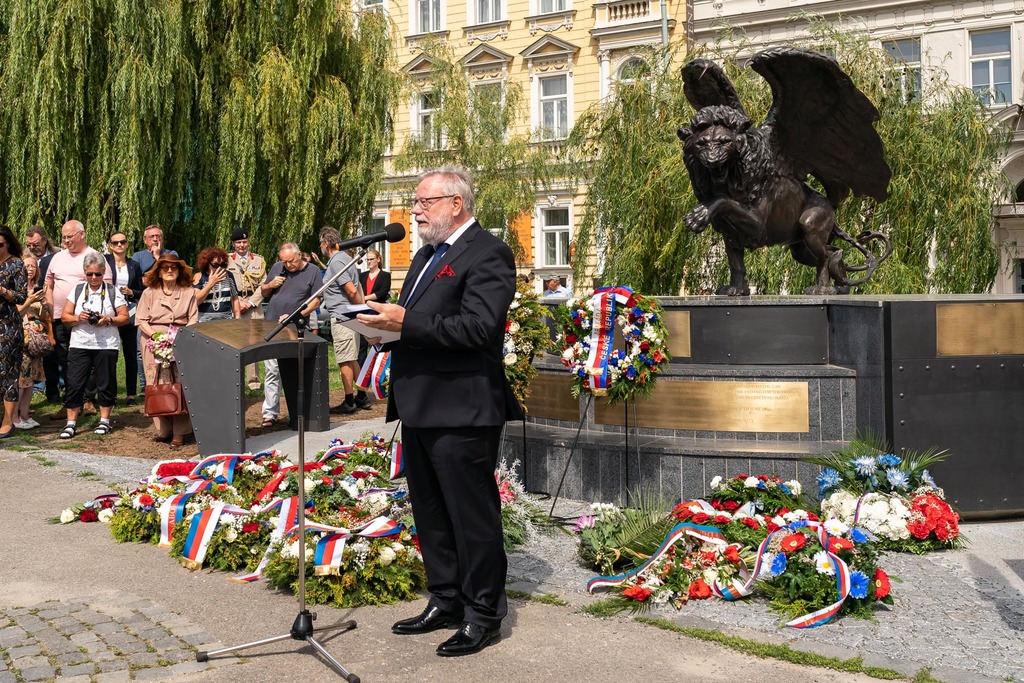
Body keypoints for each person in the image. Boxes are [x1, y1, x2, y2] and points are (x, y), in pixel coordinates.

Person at [357, 166, 522, 657]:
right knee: (430, 513)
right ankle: (446, 598)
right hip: (419, 403)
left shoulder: (489, 252)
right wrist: (382, 331)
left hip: (463, 408)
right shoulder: (427, 255)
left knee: (471, 516)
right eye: (416, 201)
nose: (416, 209)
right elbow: (421, 327)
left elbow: (478, 329)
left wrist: (406, 321)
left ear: (456, 203)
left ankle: (483, 613)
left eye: (426, 201)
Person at [57, 253, 129, 439]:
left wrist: (108, 320)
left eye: (97, 274)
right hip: (80, 343)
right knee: (74, 382)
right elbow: (64, 316)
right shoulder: (78, 290)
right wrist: (77, 317)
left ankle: (104, 420)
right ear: (84, 274)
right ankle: (70, 423)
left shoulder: (113, 291)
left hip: (106, 344)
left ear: (104, 272)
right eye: (89, 274)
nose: (94, 278)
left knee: (105, 383)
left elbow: (125, 317)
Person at [44, 220, 111, 416]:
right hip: (60, 317)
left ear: (81, 235)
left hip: (85, 319)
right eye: (63, 237)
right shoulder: (57, 258)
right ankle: (70, 401)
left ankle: (88, 400)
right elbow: (48, 283)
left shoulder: (94, 256)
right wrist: (49, 307)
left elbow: (106, 285)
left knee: (88, 358)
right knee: (67, 360)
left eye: (70, 237)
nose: (66, 241)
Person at [136, 254, 198, 448]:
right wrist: (156, 337)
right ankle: (163, 429)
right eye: (165, 268)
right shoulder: (149, 292)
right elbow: (141, 320)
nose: (169, 271)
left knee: (180, 384)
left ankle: (180, 432)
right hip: (153, 340)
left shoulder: (188, 292)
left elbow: (194, 319)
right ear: (159, 272)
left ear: (179, 271)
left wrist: (178, 337)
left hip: (181, 340)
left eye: (173, 267)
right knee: (157, 383)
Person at [259, 243, 321, 428]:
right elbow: (263, 291)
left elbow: (316, 301)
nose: (287, 265)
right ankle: (269, 413)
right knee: (272, 370)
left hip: (295, 327)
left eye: (291, 261)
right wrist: (271, 284)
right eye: (284, 261)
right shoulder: (278, 267)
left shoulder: (313, 271)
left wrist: (296, 316)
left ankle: (298, 413)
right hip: (272, 324)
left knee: (294, 372)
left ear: (299, 255)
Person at [319, 228, 370, 414]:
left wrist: (361, 311)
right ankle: (362, 396)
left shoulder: (337, 261)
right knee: (352, 358)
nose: (320, 247)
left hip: (343, 316)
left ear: (326, 243)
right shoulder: (344, 259)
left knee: (344, 360)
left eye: (321, 244)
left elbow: (351, 290)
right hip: (349, 315)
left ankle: (349, 401)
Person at [131, 224, 177, 395]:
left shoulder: (171, 254)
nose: (155, 239)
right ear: (145, 240)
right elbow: (140, 281)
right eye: (152, 237)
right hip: (145, 305)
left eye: (158, 236)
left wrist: (158, 257)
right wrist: (150, 277)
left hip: (168, 306)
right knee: (141, 349)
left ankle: (170, 381)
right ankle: (145, 385)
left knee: (169, 347)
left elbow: (170, 277)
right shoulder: (138, 256)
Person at [105, 232, 144, 406]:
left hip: (129, 311)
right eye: (116, 242)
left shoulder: (134, 265)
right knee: (110, 354)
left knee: (131, 354)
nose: (119, 245)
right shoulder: (105, 262)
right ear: (110, 245)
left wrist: (131, 292)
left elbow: (142, 290)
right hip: (109, 311)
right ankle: (110, 394)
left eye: (123, 242)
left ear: (127, 244)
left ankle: (130, 394)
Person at [226, 228, 266, 390]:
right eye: (238, 242)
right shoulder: (227, 260)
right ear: (233, 244)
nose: (242, 245)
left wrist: (250, 303)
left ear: (248, 242)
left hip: (253, 306)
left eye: (244, 242)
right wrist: (237, 303)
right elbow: (224, 283)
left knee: (253, 344)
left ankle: (254, 383)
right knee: (234, 343)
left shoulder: (258, 260)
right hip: (235, 305)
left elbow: (265, 284)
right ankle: (236, 381)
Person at [15, 255, 51, 429]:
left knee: (32, 378)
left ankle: (25, 414)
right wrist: (30, 300)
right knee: (21, 378)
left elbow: (44, 316)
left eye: (33, 266)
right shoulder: (14, 288)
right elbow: (17, 313)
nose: (30, 269)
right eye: (27, 265)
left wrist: (44, 303)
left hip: (36, 339)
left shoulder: (38, 288)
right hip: (20, 335)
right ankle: (13, 417)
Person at [26, 226, 60, 403]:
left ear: (45, 241)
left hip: (51, 308)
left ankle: (54, 390)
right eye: (29, 245)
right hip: (30, 312)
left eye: (36, 244)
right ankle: (38, 388)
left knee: (54, 351)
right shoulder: (24, 258)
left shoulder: (57, 257)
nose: (32, 248)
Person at [0, 226, 28, 438]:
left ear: (7, 243)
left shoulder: (16, 264)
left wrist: (3, 291)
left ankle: (8, 422)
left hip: (8, 326)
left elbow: (21, 296)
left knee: (8, 373)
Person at [193, 246, 240, 322]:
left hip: (226, 321)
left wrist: (237, 319)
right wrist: (210, 284)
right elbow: (195, 301)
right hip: (204, 322)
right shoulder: (199, 276)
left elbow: (235, 298)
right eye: (215, 265)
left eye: (222, 265)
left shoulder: (229, 275)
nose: (219, 268)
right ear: (207, 264)